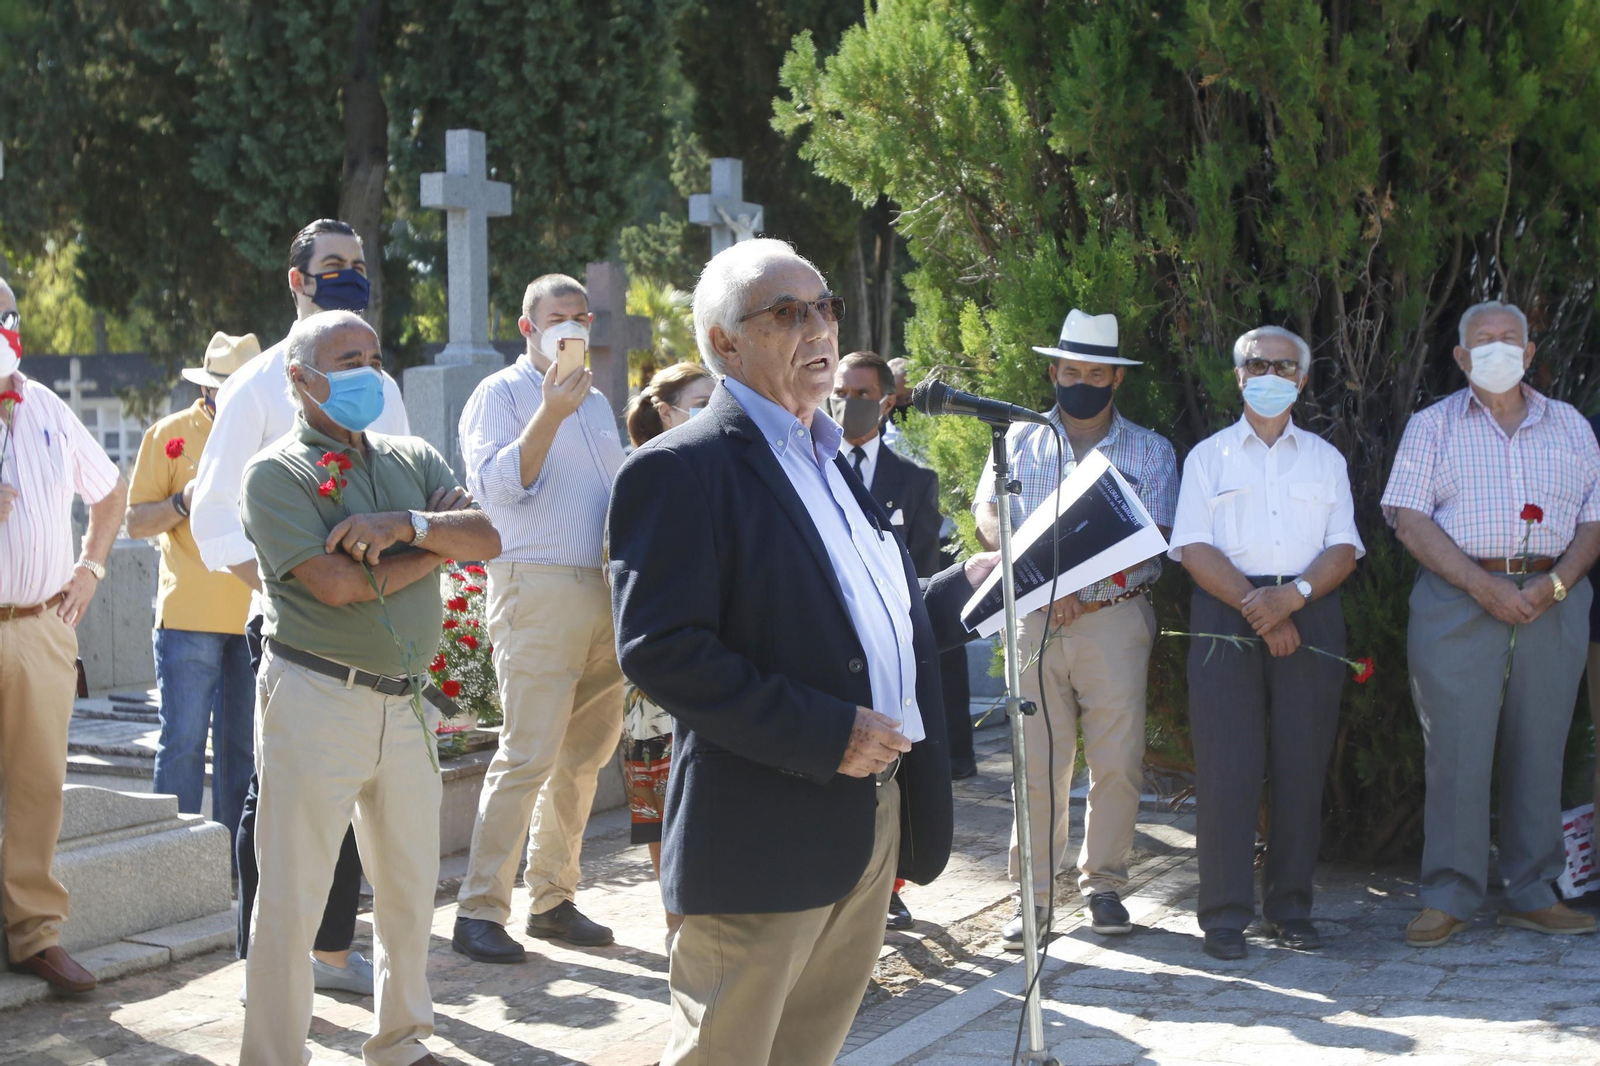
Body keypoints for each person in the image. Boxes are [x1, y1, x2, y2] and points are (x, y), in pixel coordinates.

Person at [608, 238, 995, 1066]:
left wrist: (971, 586)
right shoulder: (681, 469)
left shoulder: (833, 461)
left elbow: (855, 620)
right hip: (764, 829)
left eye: (825, 307)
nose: (817, 326)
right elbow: (661, 648)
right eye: (787, 313)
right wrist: (827, 734)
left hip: (869, 821)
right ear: (724, 344)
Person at [238, 310, 499, 1066]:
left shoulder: (409, 455)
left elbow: (486, 535)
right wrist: (431, 542)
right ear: (301, 378)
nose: (368, 371)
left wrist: (404, 524)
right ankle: (275, 1053)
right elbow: (338, 586)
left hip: (406, 701)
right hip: (317, 696)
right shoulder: (276, 474)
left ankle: (402, 1042)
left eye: (373, 356)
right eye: (347, 359)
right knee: (292, 896)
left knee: (412, 888)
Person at [190, 217, 410, 993]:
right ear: (297, 280)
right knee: (278, 800)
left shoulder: (380, 387)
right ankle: (266, 964)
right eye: (330, 265)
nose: (347, 275)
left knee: (359, 793)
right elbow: (211, 514)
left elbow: (409, 489)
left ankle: (332, 954)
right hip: (292, 632)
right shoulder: (258, 386)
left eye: (357, 264)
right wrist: (289, 583)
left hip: (374, 627)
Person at [1383, 300, 1600, 947]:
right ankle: (1449, 894)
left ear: (1531, 353)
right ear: (1460, 356)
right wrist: (1481, 585)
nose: (1499, 348)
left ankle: (1534, 891)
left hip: (1553, 596)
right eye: (1485, 340)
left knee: (1542, 742)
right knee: (1456, 748)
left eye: (1511, 339)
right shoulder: (1433, 427)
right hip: (1458, 596)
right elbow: (1408, 517)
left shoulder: (1570, 427)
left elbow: (1595, 517)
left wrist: (1555, 582)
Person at [973, 309, 1177, 949]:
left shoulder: (1150, 450)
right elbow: (987, 515)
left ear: (1116, 378)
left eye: (1095, 372)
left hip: (1113, 621)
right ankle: (1030, 899)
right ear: (1053, 371)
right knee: (1037, 764)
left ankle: (1105, 885)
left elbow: (1156, 543)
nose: (1081, 381)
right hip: (1032, 620)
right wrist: (1035, 578)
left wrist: (1082, 595)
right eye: (1070, 370)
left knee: (1116, 760)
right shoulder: (1017, 443)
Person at [1169, 326, 1364, 960]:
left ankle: (1290, 908)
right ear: (1239, 375)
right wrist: (1263, 609)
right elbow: (1193, 546)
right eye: (1258, 364)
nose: (1271, 374)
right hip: (1229, 613)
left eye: (1285, 365)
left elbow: (1344, 548)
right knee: (1228, 767)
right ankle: (1225, 916)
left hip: (1310, 608)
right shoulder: (1208, 457)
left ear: (1303, 379)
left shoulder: (1325, 460)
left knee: (1301, 765)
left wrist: (1293, 598)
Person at [451, 274, 628, 964]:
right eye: (559, 316)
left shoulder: (599, 404)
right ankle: (478, 910)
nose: (574, 327)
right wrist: (550, 411)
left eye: (582, 316)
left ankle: (552, 898)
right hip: (536, 586)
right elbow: (497, 490)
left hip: (602, 589)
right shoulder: (500, 394)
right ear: (528, 328)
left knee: (583, 760)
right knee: (525, 756)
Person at [0, 279, 126, 994]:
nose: (3, 327)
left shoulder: (44, 405)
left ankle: (35, 936)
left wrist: (90, 567)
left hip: (42, 629)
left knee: (39, 786)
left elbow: (108, 493)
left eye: (9, 316)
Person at [832, 350, 964, 932]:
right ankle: (848, 881)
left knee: (896, 770)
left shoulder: (914, 481)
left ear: (887, 403)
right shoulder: (812, 467)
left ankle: (889, 884)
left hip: (894, 648)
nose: (848, 404)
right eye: (841, 391)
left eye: (862, 394)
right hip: (834, 648)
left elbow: (925, 570)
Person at [125, 331, 259, 853]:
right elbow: (135, 522)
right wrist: (182, 502)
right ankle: (175, 861)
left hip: (253, 613)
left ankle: (231, 863)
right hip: (187, 618)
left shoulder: (269, 432)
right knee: (181, 744)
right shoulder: (169, 434)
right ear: (208, 388)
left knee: (241, 751)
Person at [619, 361, 715, 936]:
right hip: (660, 675)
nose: (712, 411)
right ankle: (677, 927)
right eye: (700, 402)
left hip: (714, 661)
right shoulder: (646, 474)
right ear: (666, 412)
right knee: (661, 802)